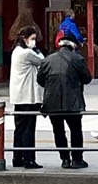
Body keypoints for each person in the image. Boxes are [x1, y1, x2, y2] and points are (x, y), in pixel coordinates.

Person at [38, 30, 91, 168]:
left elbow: (40, 80)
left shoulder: (47, 59)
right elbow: (87, 78)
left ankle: (64, 159)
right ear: (73, 45)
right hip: (72, 100)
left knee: (58, 131)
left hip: (52, 101)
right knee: (75, 130)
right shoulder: (77, 59)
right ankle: (77, 159)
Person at [9, 24, 44, 169]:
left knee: (19, 128)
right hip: (28, 96)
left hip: (18, 96)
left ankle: (17, 157)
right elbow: (43, 61)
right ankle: (29, 159)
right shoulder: (27, 53)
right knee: (29, 129)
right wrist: (36, 49)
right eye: (32, 38)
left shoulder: (16, 51)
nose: (34, 41)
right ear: (25, 39)